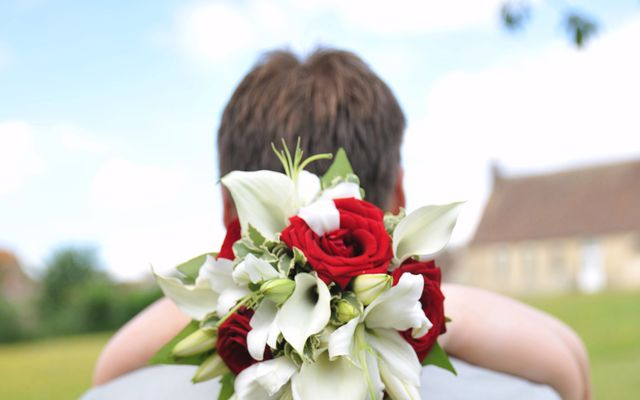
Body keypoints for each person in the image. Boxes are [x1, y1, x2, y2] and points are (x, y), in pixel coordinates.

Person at [90, 49, 590, 399]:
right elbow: (570, 366)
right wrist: (446, 312)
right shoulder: (529, 391)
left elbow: (107, 372)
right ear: (399, 195)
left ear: (231, 213)